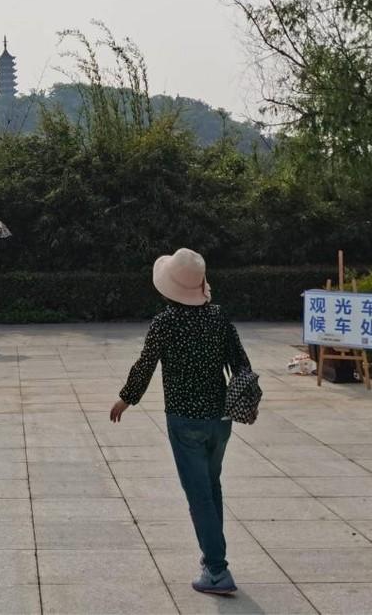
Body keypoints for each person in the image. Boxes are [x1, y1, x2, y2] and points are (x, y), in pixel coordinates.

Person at [109, 247, 250, 597]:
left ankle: (217, 570)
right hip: (220, 419)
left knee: (199, 494)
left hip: (185, 420)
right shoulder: (219, 317)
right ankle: (212, 559)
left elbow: (146, 365)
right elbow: (241, 364)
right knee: (211, 487)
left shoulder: (166, 322)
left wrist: (125, 399)